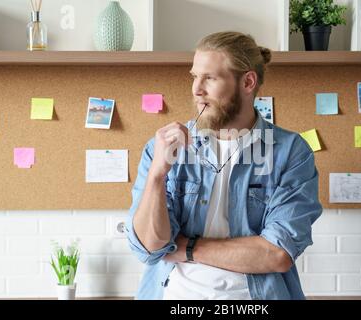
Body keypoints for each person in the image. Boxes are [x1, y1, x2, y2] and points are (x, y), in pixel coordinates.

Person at [126, 31, 322, 300]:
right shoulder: (162, 148)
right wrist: (157, 176)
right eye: (195, 76)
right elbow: (150, 247)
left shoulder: (290, 152)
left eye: (210, 77)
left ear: (248, 82)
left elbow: (277, 254)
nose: (196, 89)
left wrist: (187, 248)